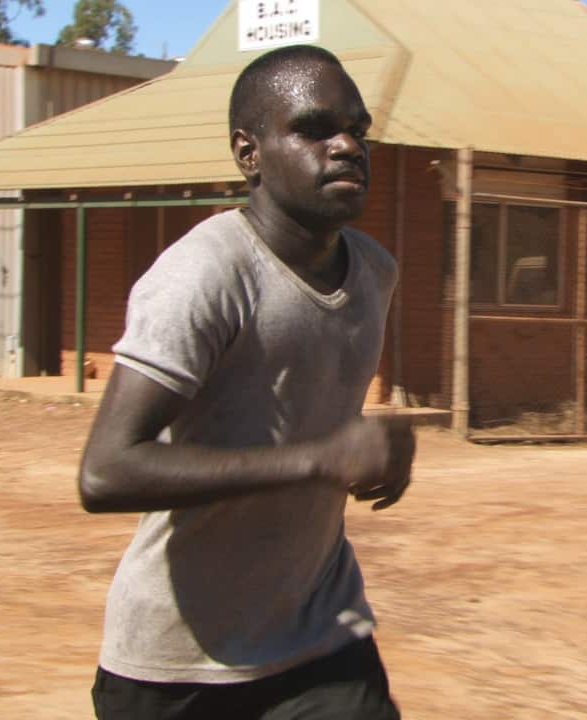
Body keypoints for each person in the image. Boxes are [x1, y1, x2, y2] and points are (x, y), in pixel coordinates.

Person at [77, 44, 414, 720]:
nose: (348, 145)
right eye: (316, 128)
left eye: (359, 128)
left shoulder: (374, 272)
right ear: (249, 153)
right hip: (180, 664)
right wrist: (318, 459)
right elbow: (106, 472)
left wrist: (382, 453)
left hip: (321, 631)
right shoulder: (205, 275)